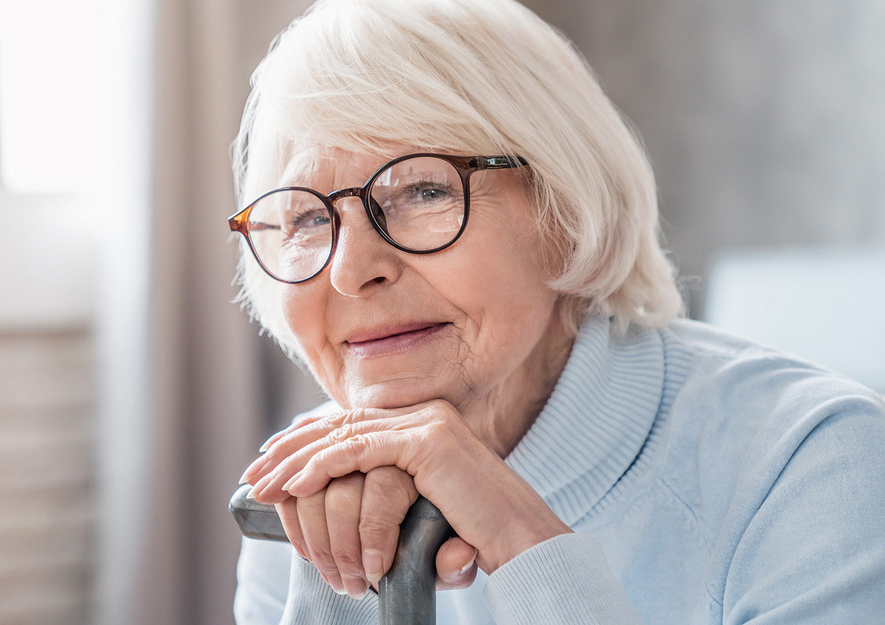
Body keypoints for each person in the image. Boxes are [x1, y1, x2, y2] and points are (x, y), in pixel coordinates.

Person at [227, 0, 885, 623]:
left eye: (422, 189)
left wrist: (521, 539)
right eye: (307, 218)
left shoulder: (815, 465)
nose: (349, 269)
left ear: (568, 213)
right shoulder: (303, 494)